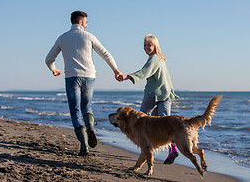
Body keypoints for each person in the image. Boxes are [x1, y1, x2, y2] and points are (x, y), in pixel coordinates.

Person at [45, 10, 124, 156]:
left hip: (71, 77)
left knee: (75, 110)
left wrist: (54, 69)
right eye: (86, 22)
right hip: (89, 76)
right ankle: (91, 128)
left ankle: (84, 145)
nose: (87, 26)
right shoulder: (89, 37)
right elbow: (106, 54)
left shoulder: (62, 38)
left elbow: (48, 59)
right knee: (86, 106)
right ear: (80, 22)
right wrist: (116, 71)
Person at [121, 34, 179, 164]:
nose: (146, 47)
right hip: (166, 93)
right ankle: (172, 149)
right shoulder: (160, 59)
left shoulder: (154, 59)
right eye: (145, 45)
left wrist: (128, 77)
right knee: (167, 122)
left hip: (153, 93)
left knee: (141, 117)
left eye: (149, 45)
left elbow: (144, 72)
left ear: (155, 46)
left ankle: (145, 145)